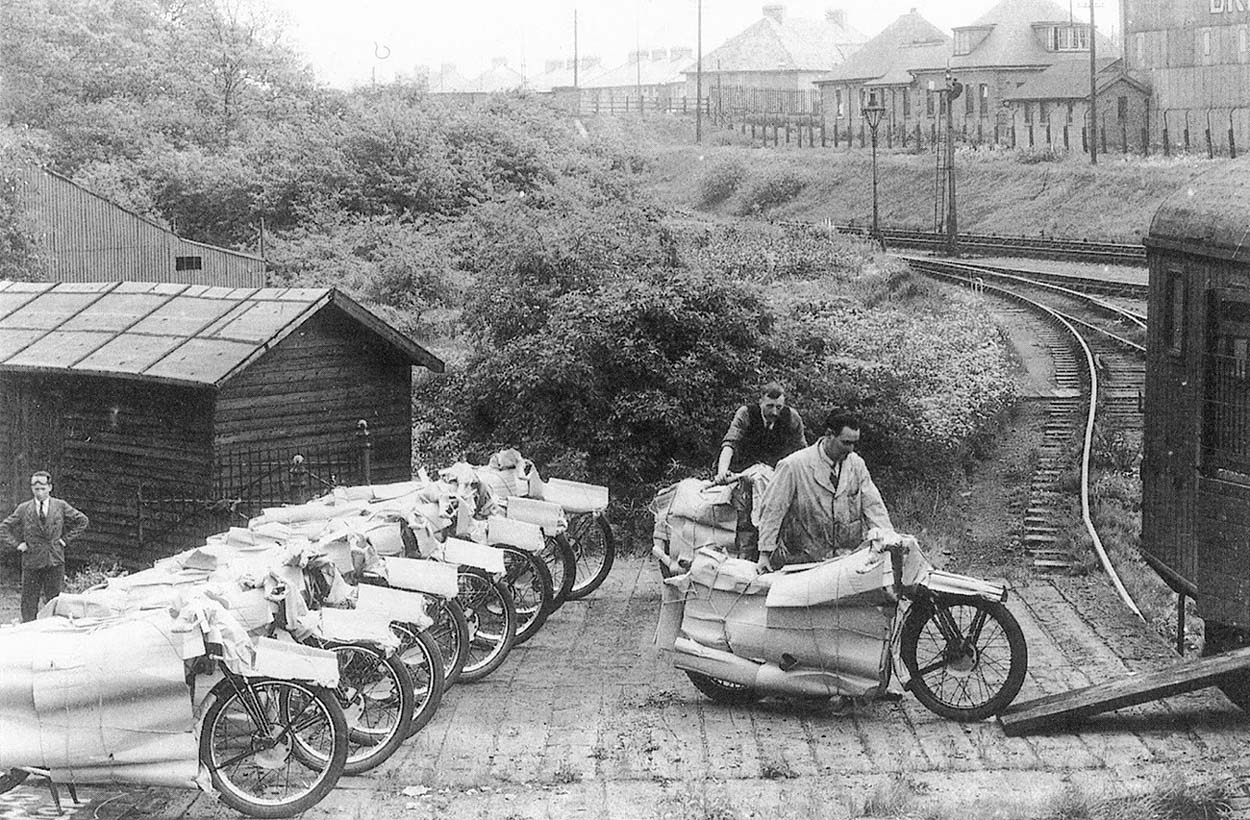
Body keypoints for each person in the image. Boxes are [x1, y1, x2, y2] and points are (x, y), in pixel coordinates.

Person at [756, 410, 893, 572]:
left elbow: (874, 508)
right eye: (846, 442)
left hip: (846, 560)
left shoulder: (857, 464)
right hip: (803, 560)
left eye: (854, 443)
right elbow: (773, 510)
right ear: (829, 435)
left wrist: (888, 543)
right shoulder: (793, 466)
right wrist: (765, 553)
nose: (851, 449)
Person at [714, 382, 807, 558]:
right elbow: (730, 443)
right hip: (744, 473)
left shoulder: (791, 418)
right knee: (746, 519)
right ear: (760, 401)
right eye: (769, 406)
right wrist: (722, 471)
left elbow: (803, 453)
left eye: (778, 407)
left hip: (775, 476)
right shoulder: (746, 414)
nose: (774, 412)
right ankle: (746, 556)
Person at [1, 471, 89, 622]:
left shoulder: (60, 506)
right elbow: (4, 528)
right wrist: (18, 544)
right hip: (32, 562)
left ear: (50, 488)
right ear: (32, 489)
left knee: (55, 601)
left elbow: (82, 520)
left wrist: (64, 540)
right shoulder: (24, 508)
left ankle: (53, 634)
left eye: (43, 489)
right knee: (29, 603)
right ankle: (29, 634)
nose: (39, 492)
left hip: (54, 560)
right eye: (36, 489)